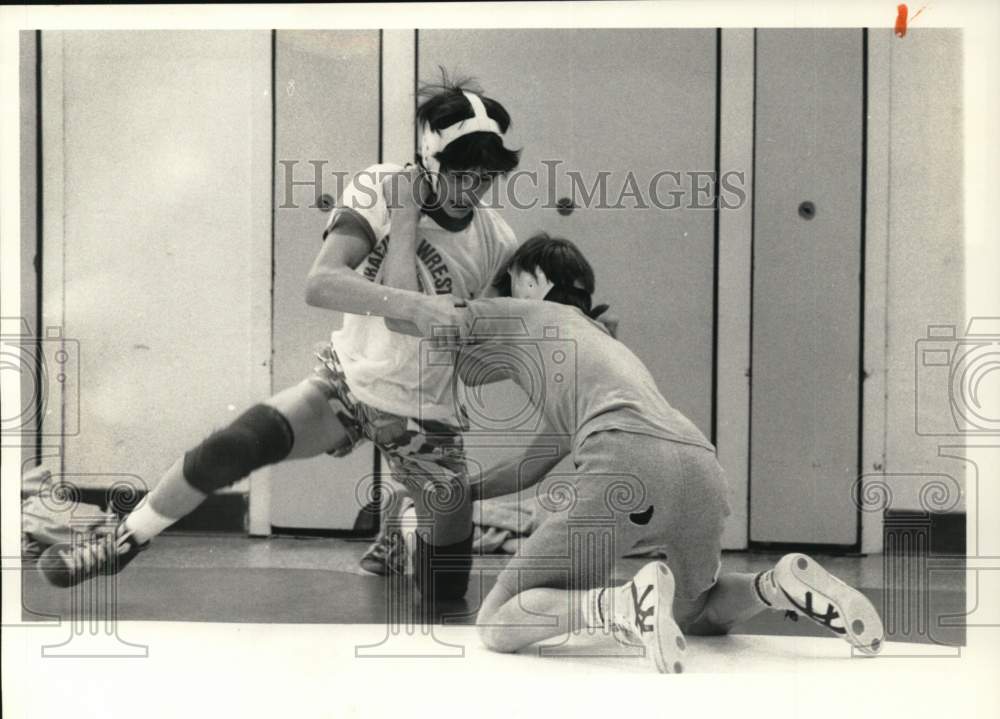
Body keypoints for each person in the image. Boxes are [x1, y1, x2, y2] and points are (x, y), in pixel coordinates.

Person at [40, 78, 521, 604]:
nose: (474, 186)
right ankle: (124, 538)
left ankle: (406, 524)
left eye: (489, 174)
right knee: (231, 447)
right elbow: (321, 283)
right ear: (429, 160)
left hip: (427, 414)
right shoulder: (381, 185)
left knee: (444, 594)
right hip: (352, 383)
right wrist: (404, 226)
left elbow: (473, 339)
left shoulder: (497, 240)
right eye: (462, 171)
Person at [383, 234, 886, 672]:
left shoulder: (523, 312)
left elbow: (406, 315)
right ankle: (775, 586)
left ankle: (623, 605)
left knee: (496, 621)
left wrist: (404, 218)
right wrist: (461, 492)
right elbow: (529, 466)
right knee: (696, 611)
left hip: (626, 457)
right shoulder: (597, 347)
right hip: (697, 463)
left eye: (506, 281)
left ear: (532, 280)